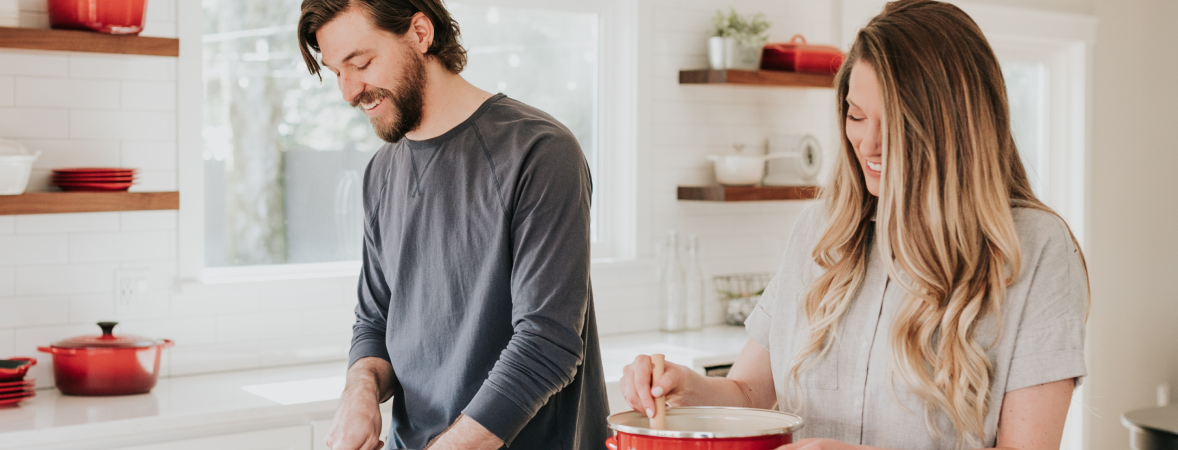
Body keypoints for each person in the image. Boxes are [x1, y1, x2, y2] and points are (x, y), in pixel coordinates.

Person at [620, 1, 1089, 449]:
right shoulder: (820, 230)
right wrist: (685, 388)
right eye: (856, 115)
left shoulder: (1036, 249)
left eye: (898, 125)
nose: (869, 143)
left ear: (954, 129)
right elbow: (749, 395)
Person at [295, 1, 607, 449]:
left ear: (420, 33)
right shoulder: (381, 173)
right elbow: (375, 320)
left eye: (360, 63)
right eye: (336, 71)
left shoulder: (539, 151)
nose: (348, 91)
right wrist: (359, 390)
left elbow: (547, 343)